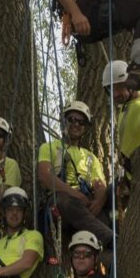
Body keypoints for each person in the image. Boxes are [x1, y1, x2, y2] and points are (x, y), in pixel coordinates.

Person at [37, 100, 113, 249]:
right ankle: (109, 238)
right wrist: (76, 195)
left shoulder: (90, 157)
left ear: (85, 127)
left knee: (104, 216)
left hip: (85, 207)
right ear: (64, 121)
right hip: (60, 203)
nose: (76, 124)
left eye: (81, 122)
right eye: (71, 119)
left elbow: (100, 186)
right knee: (64, 201)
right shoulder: (50, 147)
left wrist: (98, 202)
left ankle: (110, 258)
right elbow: (45, 176)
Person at [101, 59, 140, 182]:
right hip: (127, 175)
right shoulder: (129, 102)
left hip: (137, 180)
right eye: (111, 89)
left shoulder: (139, 107)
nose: (116, 94)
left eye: (120, 87)